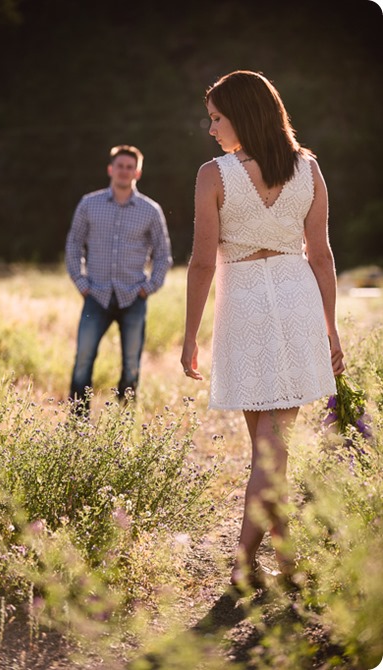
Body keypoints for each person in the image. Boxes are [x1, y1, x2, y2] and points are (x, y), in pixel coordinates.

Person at [180, 70, 345, 590]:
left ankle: (242, 561)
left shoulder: (214, 174)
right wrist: (330, 329)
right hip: (297, 299)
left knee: (269, 449)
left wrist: (189, 336)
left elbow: (202, 263)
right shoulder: (310, 170)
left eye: (217, 118)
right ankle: (286, 557)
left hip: (245, 304)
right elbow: (320, 256)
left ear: (243, 115)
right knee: (271, 450)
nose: (211, 130)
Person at [66, 144, 172, 412]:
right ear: (110, 169)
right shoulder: (89, 204)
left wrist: (148, 288)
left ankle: (122, 425)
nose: (124, 171)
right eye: (120, 166)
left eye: (130, 167)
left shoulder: (150, 210)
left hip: (133, 298)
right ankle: (77, 426)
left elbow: (163, 254)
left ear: (137, 172)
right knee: (83, 360)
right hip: (96, 296)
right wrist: (82, 283)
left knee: (132, 365)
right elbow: (73, 244)